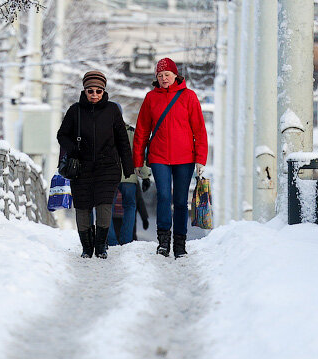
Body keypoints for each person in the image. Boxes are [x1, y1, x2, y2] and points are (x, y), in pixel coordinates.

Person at [132, 58, 208, 258]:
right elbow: (141, 131)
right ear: (156, 78)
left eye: (167, 74)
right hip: (159, 157)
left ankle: (180, 244)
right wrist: (138, 161)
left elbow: (199, 130)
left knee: (181, 201)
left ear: (175, 75)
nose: (164, 78)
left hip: (185, 157)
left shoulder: (189, 97)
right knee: (164, 197)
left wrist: (201, 158)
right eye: (160, 75)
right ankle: (163, 241)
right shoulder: (151, 98)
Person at [57, 70, 134, 259]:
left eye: (98, 91)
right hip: (81, 168)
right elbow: (62, 135)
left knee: (103, 205)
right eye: (90, 91)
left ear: (104, 91)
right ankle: (86, 246)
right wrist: (73, 149)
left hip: (108, 167)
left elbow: (122, 140)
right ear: (84, 91)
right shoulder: (75, 110)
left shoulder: (112, 111)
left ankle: (100, 246)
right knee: (82, 206)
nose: (94, 95)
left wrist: (128, 168)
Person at [108, 122, 151, 246]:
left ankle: (111, 240)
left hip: (110, 177)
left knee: (106, 208)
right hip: (129, 177)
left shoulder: (104, 130)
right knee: (130, 207)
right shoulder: (132, 132)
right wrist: (145, 176)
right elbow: (140, 153)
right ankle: (126, 240)